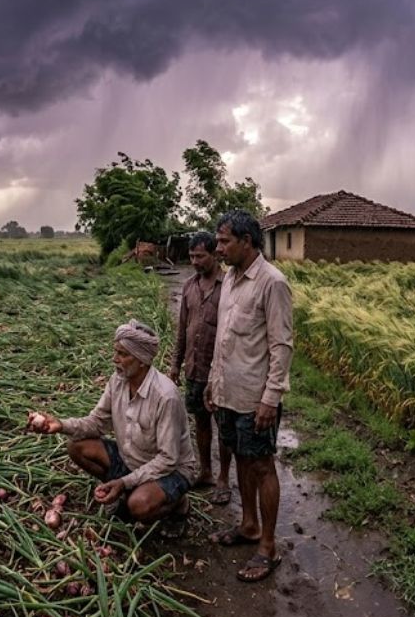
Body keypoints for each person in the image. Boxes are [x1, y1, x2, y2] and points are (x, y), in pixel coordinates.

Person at [30, 320, 198, 523]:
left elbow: (167, 459)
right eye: (115, 351)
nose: (115, 359)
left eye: (123, 354)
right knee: (77, 446)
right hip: (132, 460)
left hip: (170, 470)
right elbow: (97, 422)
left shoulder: (165, 397)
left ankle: (178, 504)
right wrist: (60, 425)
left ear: (142, 360)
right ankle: (127, 490)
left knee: (138, 506)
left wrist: (124, 482)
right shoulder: (117, 381)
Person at [206, 209, 293, 583]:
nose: (218, 247)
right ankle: (248, 525)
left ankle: (268, 547)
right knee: (242, 458)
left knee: (261, 465)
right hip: (228, 392)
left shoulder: (272, 283)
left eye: (225, 241)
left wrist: (270, 398)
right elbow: (224, 337)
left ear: (247, 241)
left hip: (256, 398)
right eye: (218, 240)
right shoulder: (229, 279)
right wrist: (213, 381)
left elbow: (282, 345)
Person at [170, 232, 233, 504]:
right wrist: (175, 364)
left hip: (220, 372)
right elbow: (182, 330)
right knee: (201, 421)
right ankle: (206, 471)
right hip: (194, 369)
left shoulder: (229, 285)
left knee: (224, 425)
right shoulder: (189, 287)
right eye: (192, 256)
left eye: (200, 256)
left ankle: (223, 479)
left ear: (215, 255)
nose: (194, 261)